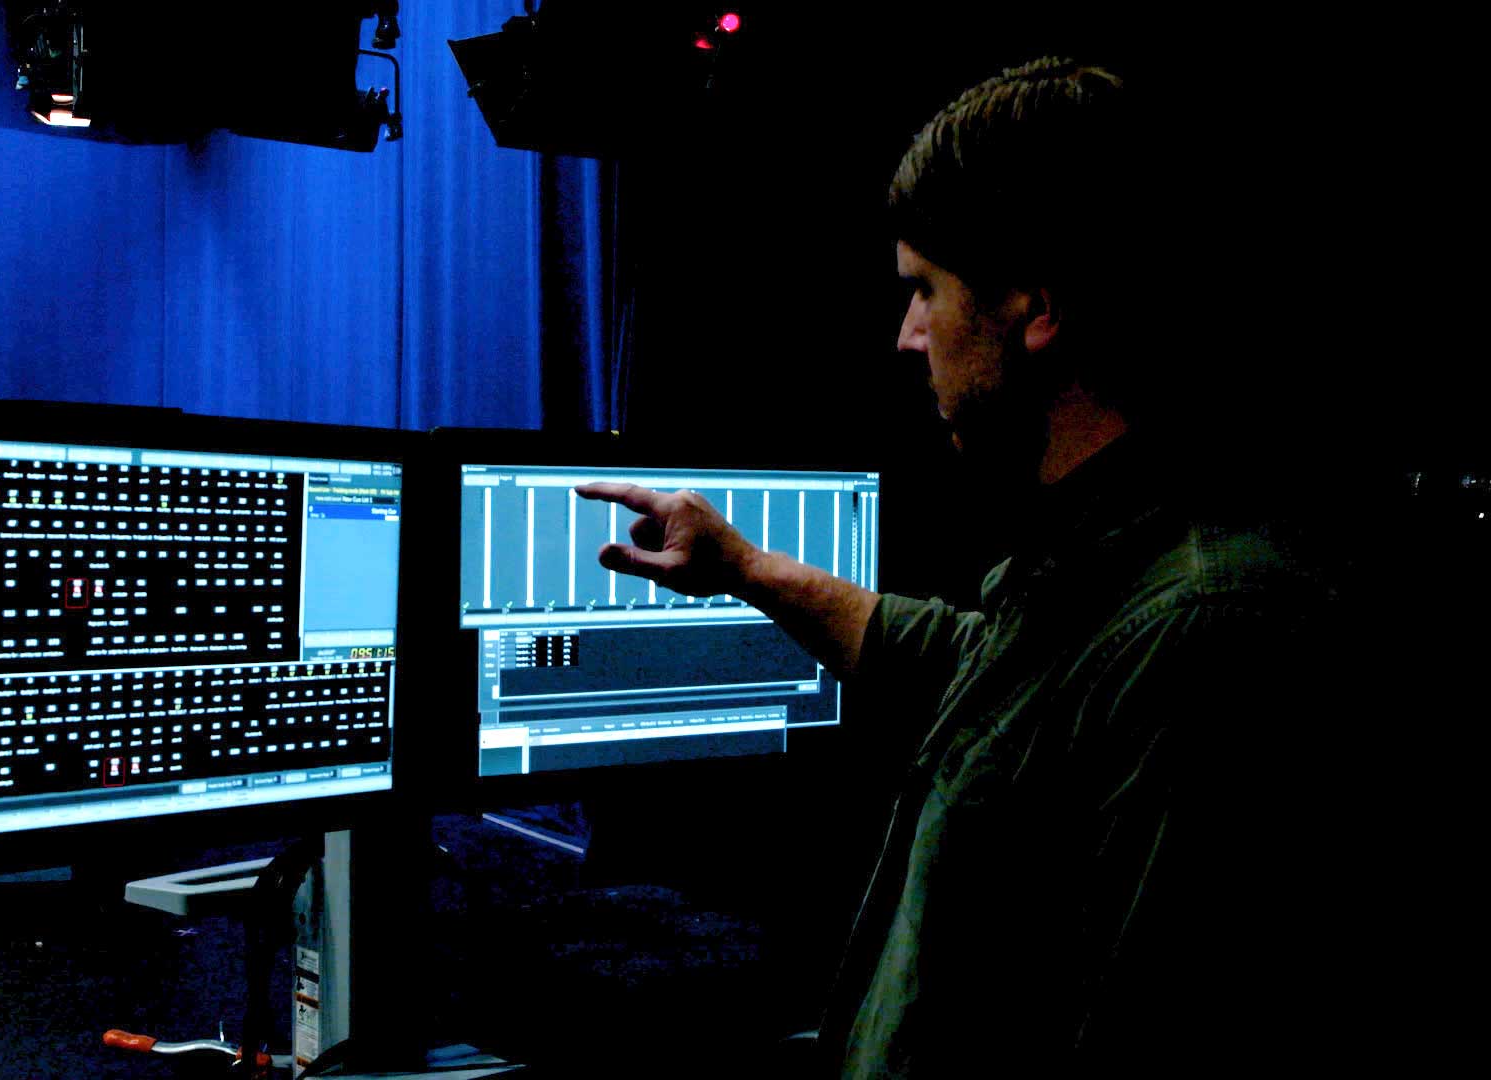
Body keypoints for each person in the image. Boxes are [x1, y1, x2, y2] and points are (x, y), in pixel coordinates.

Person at [577, 57, 1384, 1075]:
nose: (907, 336)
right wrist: (744, 566)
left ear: (1035, 311)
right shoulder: (1097, 566)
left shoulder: (1208, 626)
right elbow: (969, 668)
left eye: (925, 290)